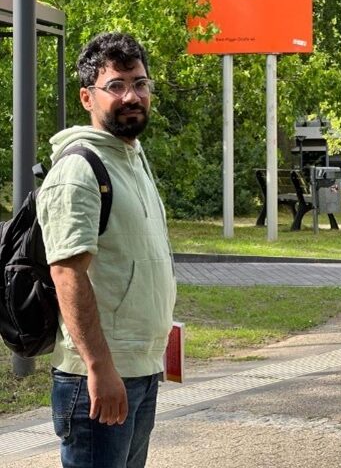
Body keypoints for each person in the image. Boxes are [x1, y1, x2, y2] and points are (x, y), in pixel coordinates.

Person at [36, 31, 176, 468]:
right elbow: (67, 274)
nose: (131, 95)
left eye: (139, 83)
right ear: (87, 97)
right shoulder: (81, 168)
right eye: (116, 86)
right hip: (98, 378)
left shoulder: (131, 157)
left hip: (139, 368)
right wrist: (99, 367)